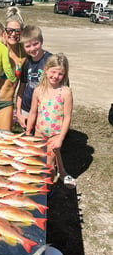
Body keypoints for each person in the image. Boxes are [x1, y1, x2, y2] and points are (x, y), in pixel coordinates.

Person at [26, 53, 77, 189]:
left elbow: (67, 117)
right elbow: (33, 112)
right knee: (36, 161)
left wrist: (60, 138)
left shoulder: (65, 92)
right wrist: (27, 131)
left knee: (49, 164)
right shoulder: (38, 90)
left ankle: (46, 190)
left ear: (65, 74)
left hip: (54, 135)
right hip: (39, 133)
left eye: (60, 74)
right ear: (46, 70)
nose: (56, 76)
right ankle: (36, 184)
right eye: (53, 71)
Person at [16, 25, 52, 130]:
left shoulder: (50, 60)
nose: (32, 49)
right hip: (26, 109)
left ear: (41, 41)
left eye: (36, 44)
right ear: (23, 47)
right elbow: (21, 89)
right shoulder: (26, 62)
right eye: (28, 46)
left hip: (44, 110)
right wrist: (19, 112)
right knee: (28, 138)